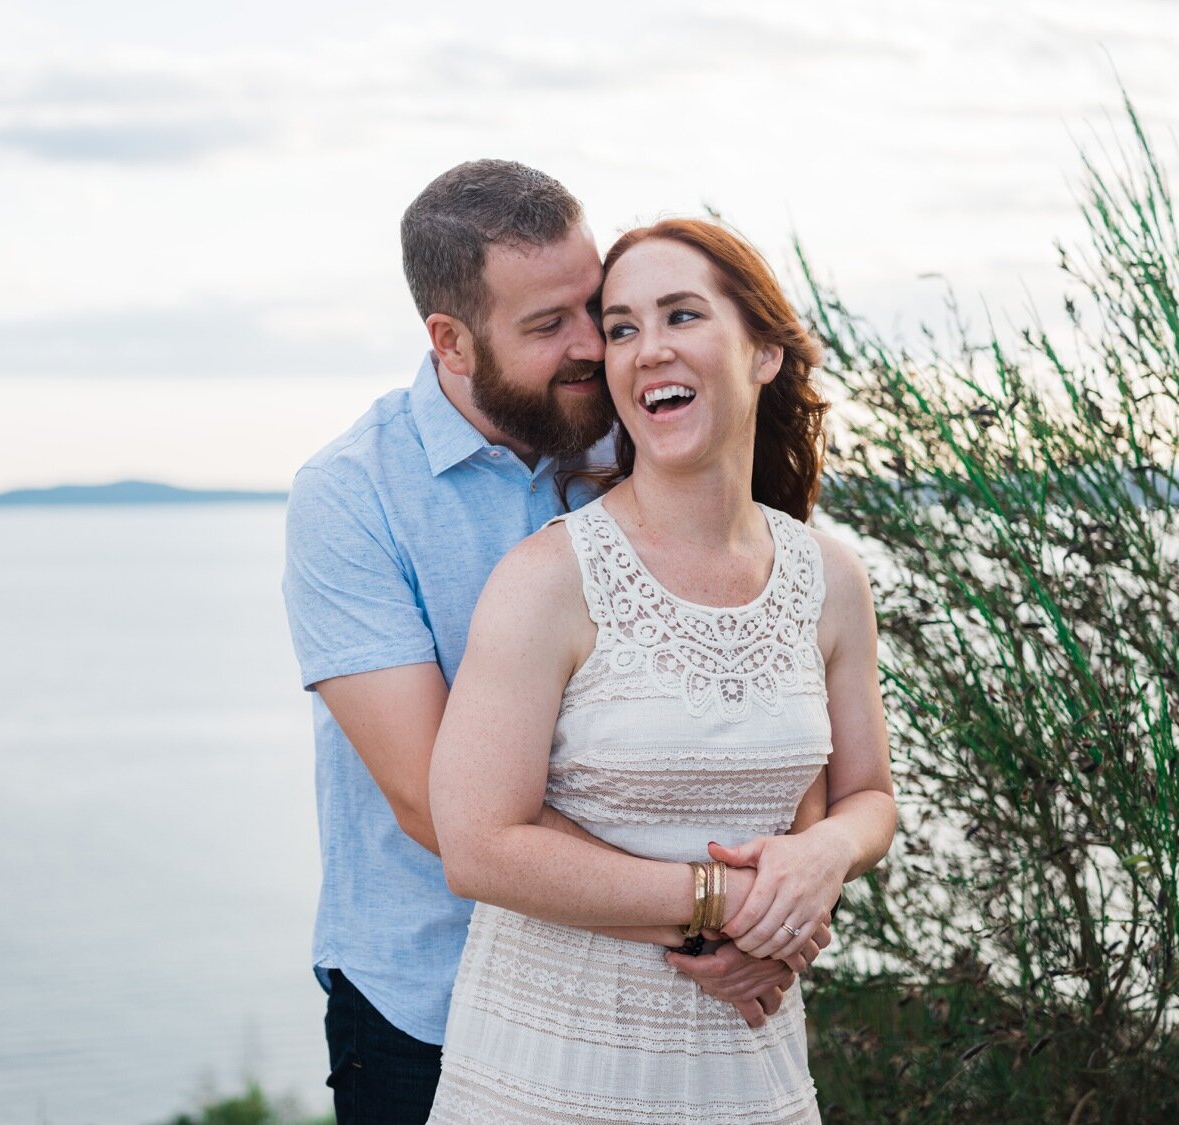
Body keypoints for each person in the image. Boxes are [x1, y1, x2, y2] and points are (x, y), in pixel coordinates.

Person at [283, 164, 829, 1124]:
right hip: (428, 1005)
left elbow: (773, 680)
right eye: (548, 327)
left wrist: (786, 883)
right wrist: (726, 917)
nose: (594, 348)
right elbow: (437, 807)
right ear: (450, 342)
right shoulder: (351, 496)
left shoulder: (650, 432)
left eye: (597, 308)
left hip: (678, 1012)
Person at [425, 218, 897, 1123]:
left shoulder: (830, 579)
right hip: (549, 1077)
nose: (646, 351)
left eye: (681, 315)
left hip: (749, 1068)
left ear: (763, 350)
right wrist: (730, 905)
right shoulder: (548, 578)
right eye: (623, 327)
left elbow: (867, 793)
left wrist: (818, 861)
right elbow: (478, 845)